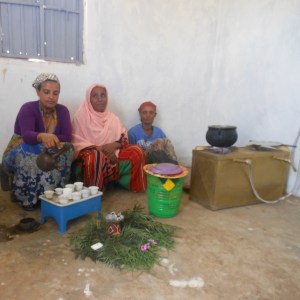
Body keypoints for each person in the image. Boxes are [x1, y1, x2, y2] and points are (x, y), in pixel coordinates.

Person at [0, 73, 74, 211]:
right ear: (38, 91)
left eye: (55, 93)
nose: (51, 97)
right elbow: (27, 135)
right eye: (46, 92)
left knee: (68, 149)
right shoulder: (28, 108)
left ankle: (55, 192)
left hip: (49, 148)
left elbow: (67, 136)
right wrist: (42, 136)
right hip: (24, 147)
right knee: (29, 151)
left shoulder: (63, 111)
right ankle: (27, 196)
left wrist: (51, 140)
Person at [71, 84, 146, 192]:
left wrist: (114, 145)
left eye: (103, 95)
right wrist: (102, 151)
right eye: (95, 96)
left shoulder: (112, 118)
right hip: (89, 156)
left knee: (137, 151)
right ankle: (95, 194)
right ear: (88, 99)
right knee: (96, 157)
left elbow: (123, 137)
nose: (100, 99)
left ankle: (133, 188)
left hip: (113, 153)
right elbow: (76, 143)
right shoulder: (80, 117)